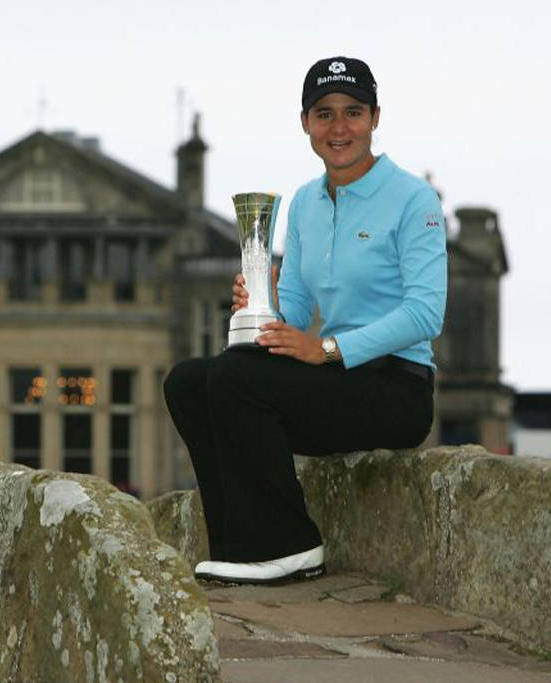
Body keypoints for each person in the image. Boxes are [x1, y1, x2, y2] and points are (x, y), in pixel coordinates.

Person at [162, 56, 447, 584]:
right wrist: (257, 304)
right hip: (333, 385)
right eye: (324, 114)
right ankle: (236, 543)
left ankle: (288, 544)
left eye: (353, 112)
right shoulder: (305, 204)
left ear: (375, 117)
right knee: (189, 381)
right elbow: (291, 307)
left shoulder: (413, 198)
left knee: (233, 378)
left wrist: (328, 350)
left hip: (396, 389)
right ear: (305, 123)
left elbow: (425, 312)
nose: (339, 128)